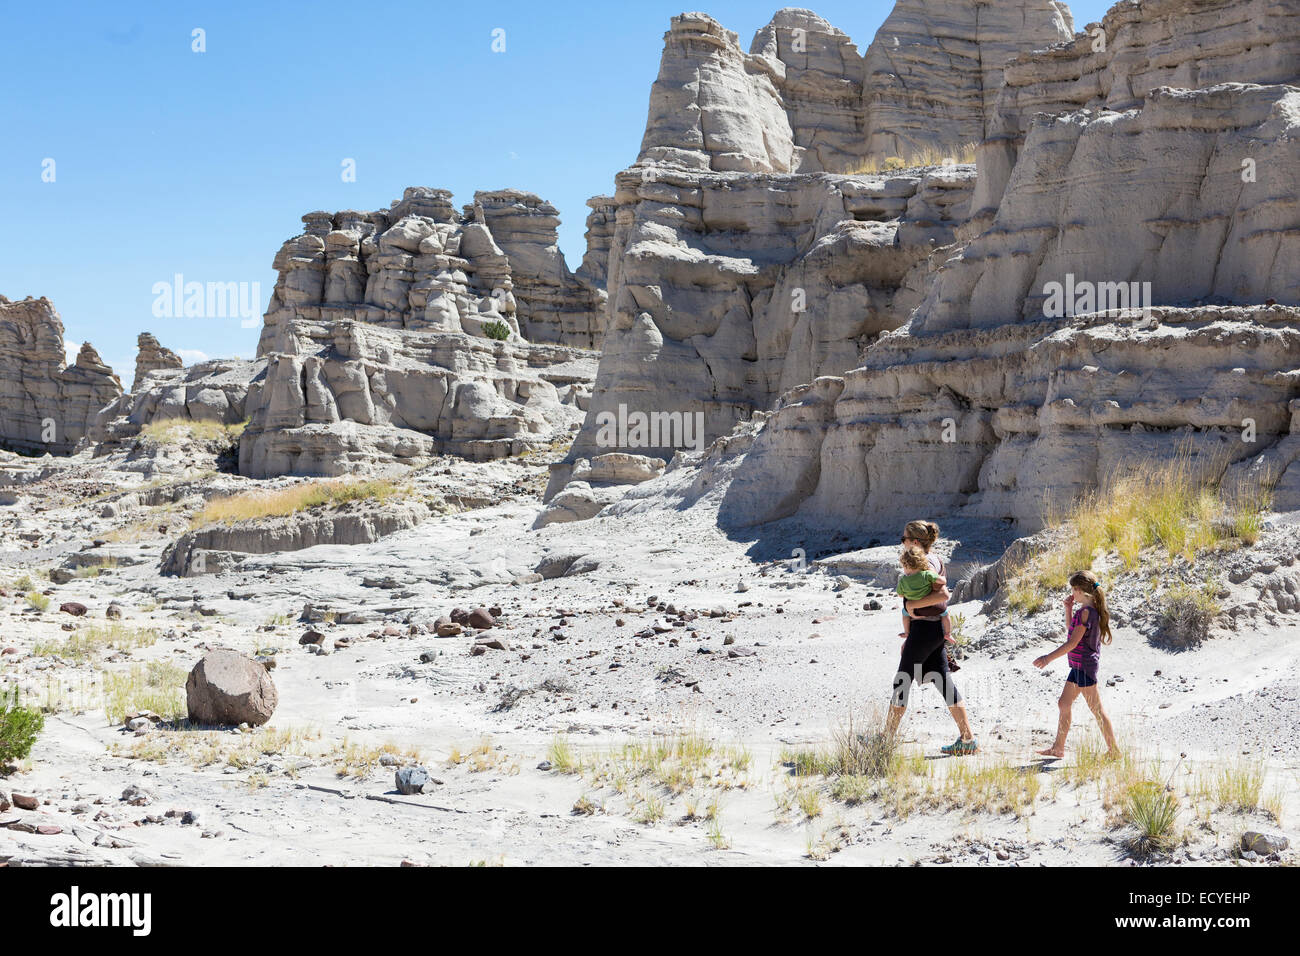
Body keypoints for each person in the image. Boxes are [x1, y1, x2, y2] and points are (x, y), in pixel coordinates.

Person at [884, 520, 977, 756]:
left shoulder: (927, 563)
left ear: (915, 542)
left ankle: (885, 741)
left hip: (925, 630)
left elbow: (943, 594)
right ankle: (967, 739)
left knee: (902, 680)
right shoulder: (930, 561)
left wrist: (912, 605)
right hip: (930, 631)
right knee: (943, 681)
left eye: (903, 539)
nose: (902, 542)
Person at [1032, 569, 1120, 759]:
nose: (1072, 594)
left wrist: (1047, 658)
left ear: (1080, 590)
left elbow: (1072, 642)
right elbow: (1072, 632)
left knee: (1097, 710)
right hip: (1079, 666)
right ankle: (1058, 748)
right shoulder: (1089, 611)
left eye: (1073, 590)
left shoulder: (1086, 613)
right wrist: (1068, 609)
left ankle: (1114, 751)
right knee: (1064, 704)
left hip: (1084, 667)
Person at [896, 545, 952, 645]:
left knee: (904, 613)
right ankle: (948, 633)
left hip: (914, 611)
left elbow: (900, 595)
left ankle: (907, 632)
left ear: (905, 565)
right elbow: (942, 581)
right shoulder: (927, 574)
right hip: (932, 608)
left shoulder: (903, 580)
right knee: (945, 613)